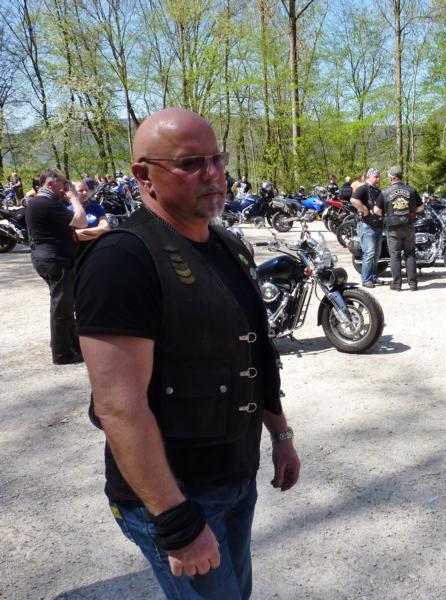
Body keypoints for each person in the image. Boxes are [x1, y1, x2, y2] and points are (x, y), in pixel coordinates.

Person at [75, 108, 300, 599]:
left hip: (235, 479)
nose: (213, 173)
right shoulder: (121, 260)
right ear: (143, 176)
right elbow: (118, 407)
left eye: (217, 158)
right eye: (191, 163)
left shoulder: (227, 245)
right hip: (177, 497)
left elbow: (256, 354)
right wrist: (176, 521)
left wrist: (280, 434)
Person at [26, 169, 88, 364]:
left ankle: (74, 347)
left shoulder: (38, 201)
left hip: (47, 258)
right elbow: (82, 221)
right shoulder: (47, 203)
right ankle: (63, 353)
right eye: (63, 183)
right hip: (56, 260)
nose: (66, 187)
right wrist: (74, 197)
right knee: (62, 308)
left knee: (65, 305)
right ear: (51, 184)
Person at [374, 165, 423, 291]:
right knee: (410, 254)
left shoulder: (385, 192)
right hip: (408, 226)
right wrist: (412, 211)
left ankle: (397, 284)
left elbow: (377, 211)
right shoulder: (411, 190)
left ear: (391, 178)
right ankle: (413, 284)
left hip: (393, 228)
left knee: (395, 256)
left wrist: (385, 214)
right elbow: (421, 207)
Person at [350, 167, 383, 288]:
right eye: (376, 176)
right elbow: (353, 199)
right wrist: (364, 209)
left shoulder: (377, 191)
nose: (378, 179)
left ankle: (373, 277)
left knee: (376, 254)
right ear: (369, 177)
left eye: (379, 177)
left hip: (378, 225)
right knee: (369, 253)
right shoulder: (363, 188)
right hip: (367, 225)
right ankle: (366, 279)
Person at [69, 180, 110, 257]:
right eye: (81, 190)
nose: (85, 192)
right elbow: (69, 236)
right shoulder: (67, 210)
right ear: (73, 192)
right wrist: (98, 232)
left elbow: (105, 228)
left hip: (98, 249)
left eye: (86, 190)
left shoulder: (96, 207)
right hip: (78, 254)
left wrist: (80, 233)